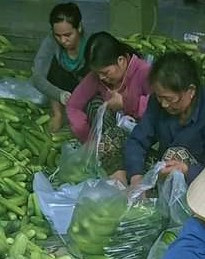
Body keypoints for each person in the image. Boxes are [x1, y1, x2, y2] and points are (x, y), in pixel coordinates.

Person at [116, 52, 205, 188]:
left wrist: (186, 170)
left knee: (174, 156)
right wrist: (136, 176)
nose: (164, 104)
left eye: (170, 99)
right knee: (116, 138)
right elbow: (138, 139)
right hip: (166, 168)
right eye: (159, 97)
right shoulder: (158, 103)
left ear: (191, 91)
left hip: (203, 183)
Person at [66, 32, 152, 173]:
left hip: (141, 136)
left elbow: (159, 107)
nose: (101, 77)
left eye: (106, 72)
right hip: (110, 137)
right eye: (98, 73)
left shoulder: (144, 72)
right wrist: (88, 139)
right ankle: (106, 158)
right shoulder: (98, 77)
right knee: (96, 105)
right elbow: (74, 105)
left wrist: (126, 104)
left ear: (121, 60)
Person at [31, 3, 88, 134]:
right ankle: (58, 114)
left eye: (68, 35)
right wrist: (59, 95)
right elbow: (37, 77)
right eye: (58, 35)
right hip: (62, 87)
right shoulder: (51, 41)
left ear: (79, 27)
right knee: (52, 67)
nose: (63, 40)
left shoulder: (91, 42)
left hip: (87, 87)